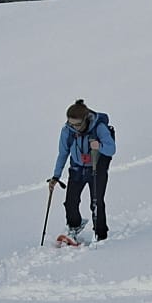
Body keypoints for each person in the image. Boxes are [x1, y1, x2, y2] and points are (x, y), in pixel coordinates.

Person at [48, 99, 115, 243]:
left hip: (96, 170)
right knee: (70, 202)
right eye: (70, 123)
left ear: (85, 119)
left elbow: (111, 149)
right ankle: (74, 227)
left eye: (76, 124)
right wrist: (56, 176)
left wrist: (99, 146)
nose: (73, 127)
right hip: (76, 169)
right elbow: (63, 153)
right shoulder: (67, 131)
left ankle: (101, 235)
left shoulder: (99, 128)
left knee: (96, 203)